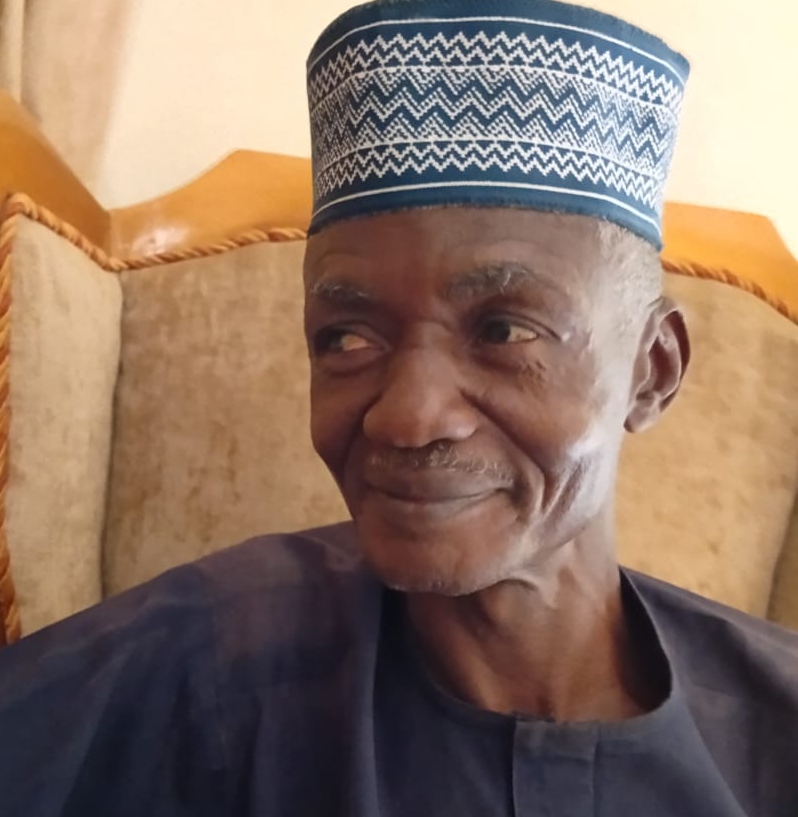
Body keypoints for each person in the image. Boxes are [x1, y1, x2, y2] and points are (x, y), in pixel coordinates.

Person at [1, 0, 797, 814]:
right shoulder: (213, 655)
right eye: (347, 338)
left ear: (653, 369)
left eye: (503, 329)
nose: (406, 418)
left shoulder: (773, 726)